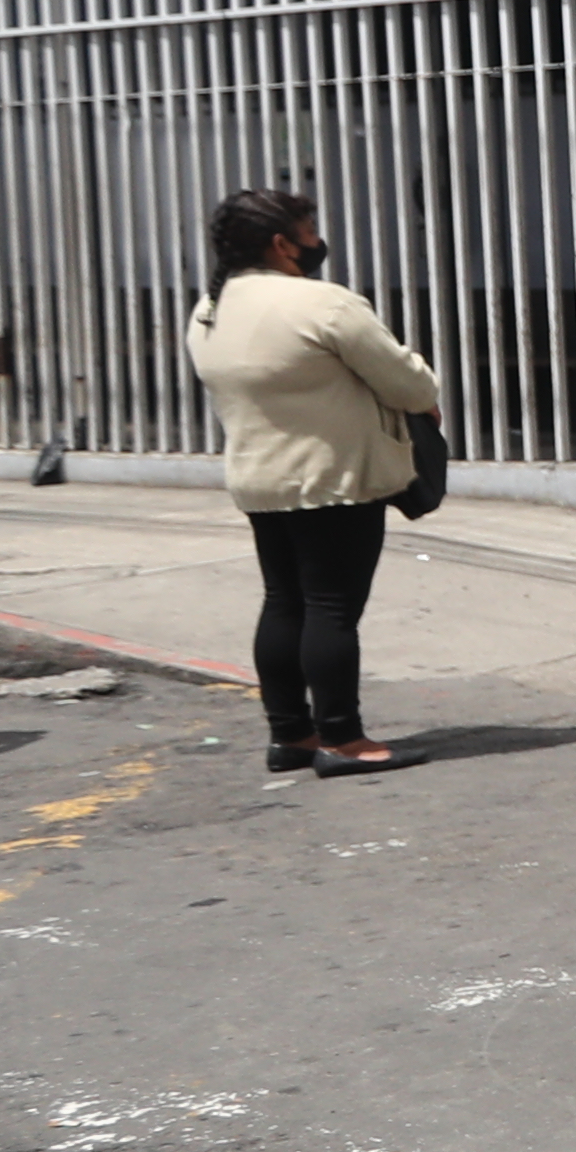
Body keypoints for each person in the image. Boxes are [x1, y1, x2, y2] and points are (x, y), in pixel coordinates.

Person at [182, 188, 441, 776]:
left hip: (258, 480)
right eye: (308, 230)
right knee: (331, 609)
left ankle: (290, 734)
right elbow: (410, 386)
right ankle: (344, 741)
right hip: (334, 481)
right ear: (282, 243)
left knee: (283, 603)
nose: (315, 241)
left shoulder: (208, 310)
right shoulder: (323, 304)